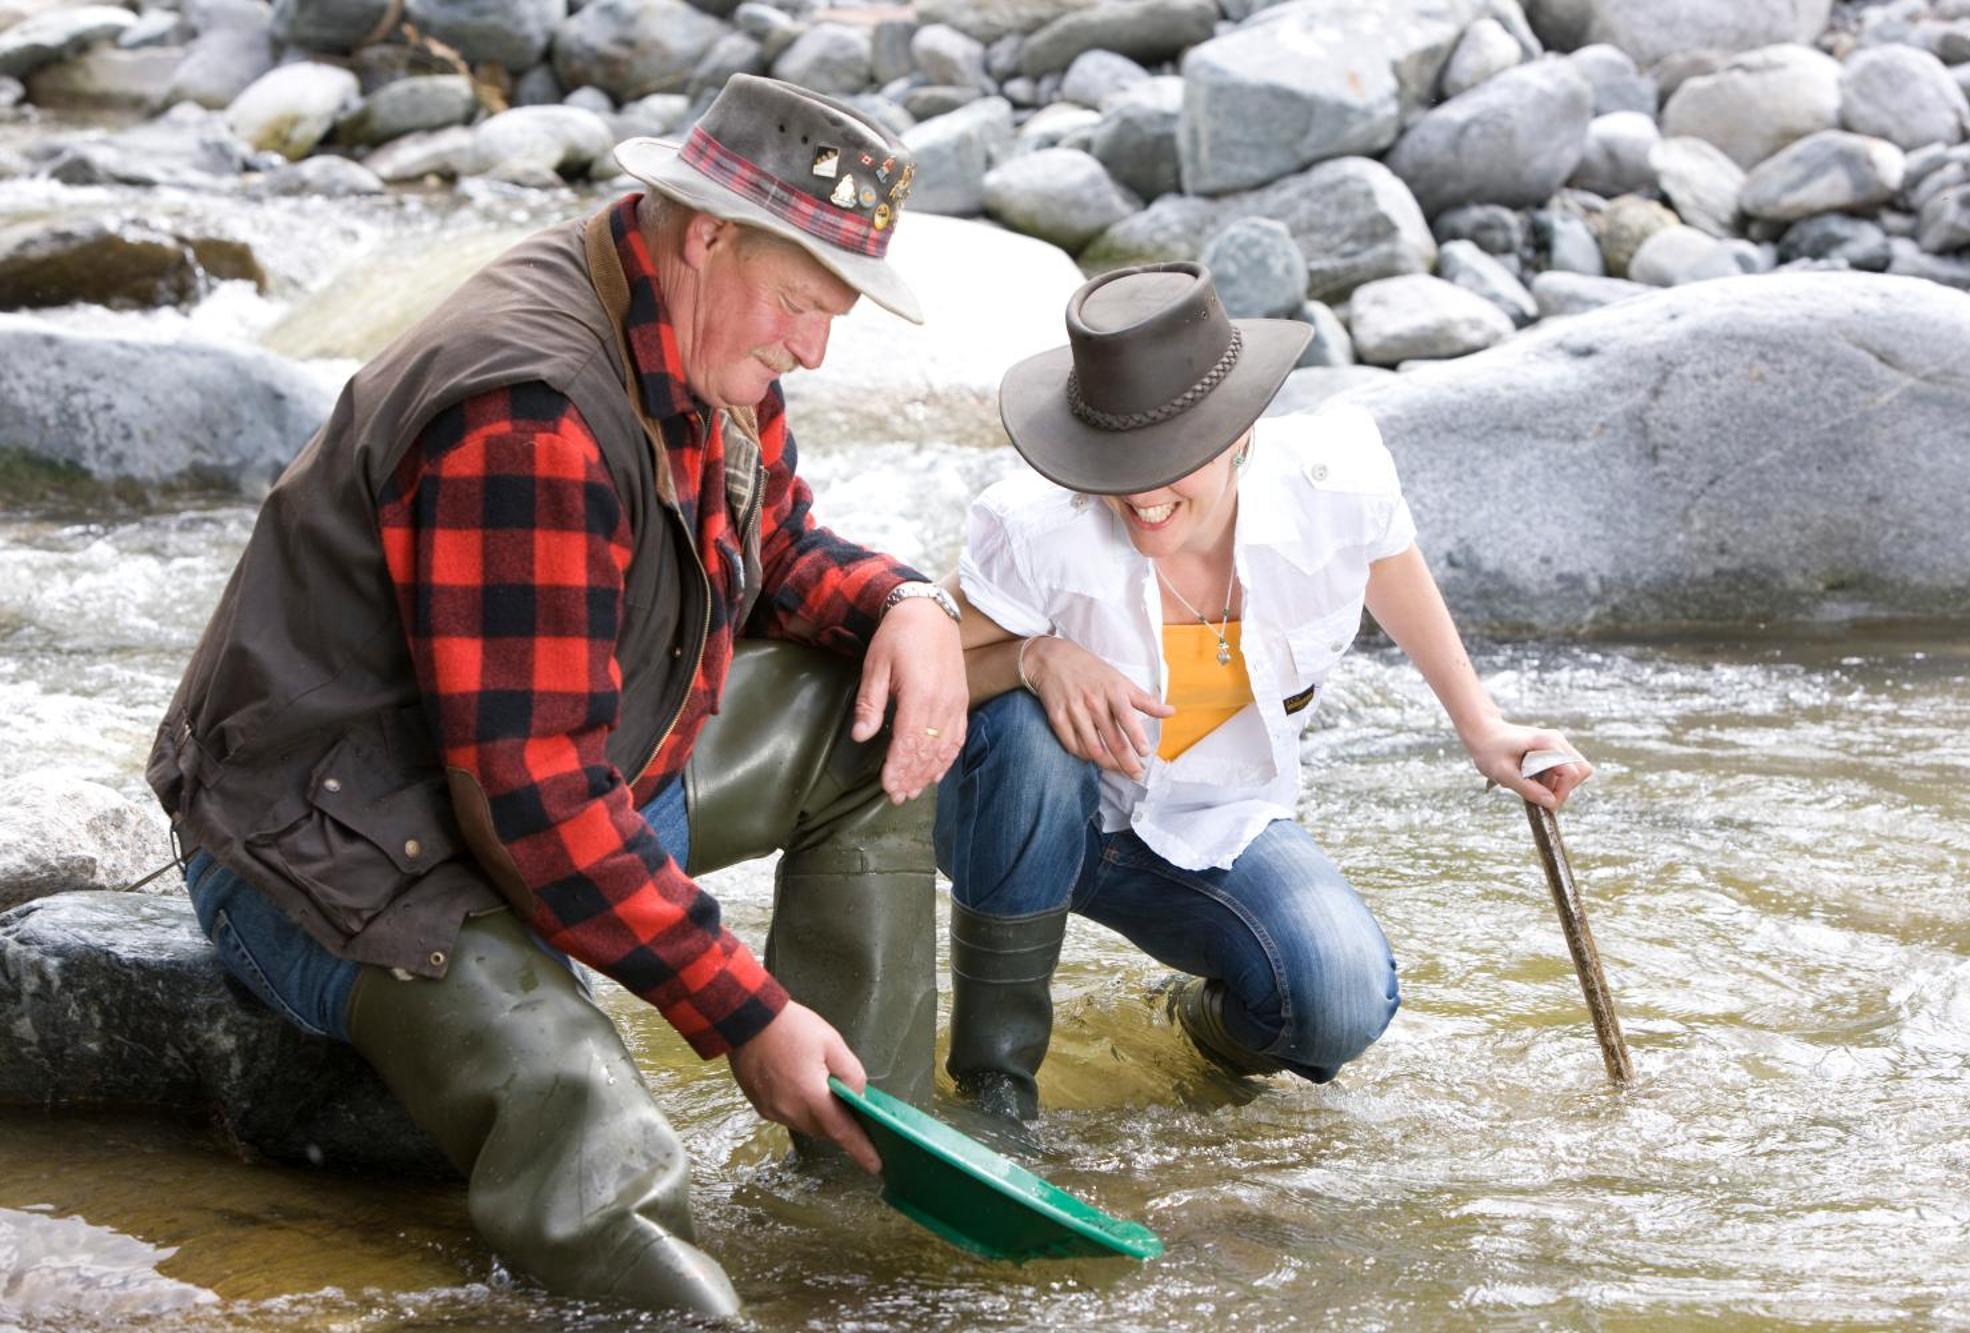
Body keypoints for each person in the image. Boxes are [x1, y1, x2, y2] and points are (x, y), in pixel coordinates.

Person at [145, 76, 967, 1316]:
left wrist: (907, 604)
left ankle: (864, 1175)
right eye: (802, 305)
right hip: (342, 851)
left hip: (556, 778)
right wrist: (747, 1012)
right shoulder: (527, 410)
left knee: (875, 726)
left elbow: (777, 546)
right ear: (706, 230)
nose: (812, 347)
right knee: (594, 1131)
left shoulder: (702, 330)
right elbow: (531, 802)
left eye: (830, 312)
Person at [933, 262, 1592, 1124]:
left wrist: (1482, 725)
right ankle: (994, 1088)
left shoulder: (1331, 481)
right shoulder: (1037, 526)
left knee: (1340, 1001)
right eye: (1117, 461)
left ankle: (1191, 1024)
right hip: (1015, 818)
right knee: (1025, 728)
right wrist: (1035, 656)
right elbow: (921, 665)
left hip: (1207, 820)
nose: (1141, 493)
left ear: (1242, 433)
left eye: (1171, 461)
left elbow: (1387, 562)